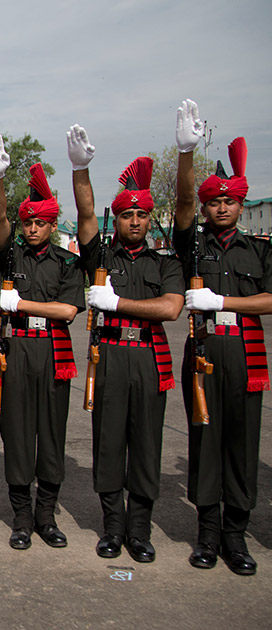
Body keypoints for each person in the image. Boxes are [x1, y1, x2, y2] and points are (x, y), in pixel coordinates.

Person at [68, 125, 184, 562]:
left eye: (141, 215)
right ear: (117, 219)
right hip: (111, 356)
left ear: (149, 218)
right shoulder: (101, 258)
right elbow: (85, 215)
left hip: (149, 356)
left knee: (147, 443)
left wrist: (118, 303)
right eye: (126, 216)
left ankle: (140, 531)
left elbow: (171, 308)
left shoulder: (165, 262)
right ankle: (112, 529)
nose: (134, 221)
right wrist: (81, 170)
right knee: (109, 442)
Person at [171, 100, 271, 576]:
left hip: (247, 356)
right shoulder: (193, 244)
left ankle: (237, 537)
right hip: (205, 355)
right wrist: (186, 154)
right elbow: (183, 204)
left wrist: (224, 303)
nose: (223, 207)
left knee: (242, 445)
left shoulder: (259, 249)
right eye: (216, 201)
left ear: (240, 202)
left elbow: (270, 299)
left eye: (230, 200)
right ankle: (207, 535)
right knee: (205, 442)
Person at [0, 132, 84, 550]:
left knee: (51, 433)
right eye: (27, 222)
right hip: (17, 352)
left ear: (50, 222)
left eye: (39, 222)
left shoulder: (68, 262)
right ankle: (22, 518)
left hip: (52, 352)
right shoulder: (12, 256)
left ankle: (47, 516)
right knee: (17, 433)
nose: (31, 228)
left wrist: (21, 303)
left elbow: (67, 312)